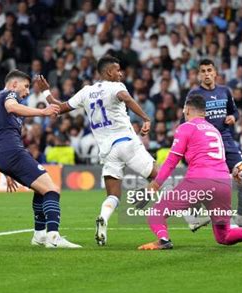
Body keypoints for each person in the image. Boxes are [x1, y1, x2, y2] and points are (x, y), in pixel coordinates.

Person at [36, 56, 158, 246]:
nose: (121, 73)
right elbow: (125, 97)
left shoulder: (87, 91)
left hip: (107, 151)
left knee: (113, 195)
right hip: (127, 142)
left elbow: (59, 108)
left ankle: (103, 217)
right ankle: (193, 217)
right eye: (118, 70)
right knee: (160, 176)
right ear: (109, 72)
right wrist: (145, 118)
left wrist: (45, 92)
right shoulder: (116, 86)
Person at [138, 95, 242, 250]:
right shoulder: (214, 129)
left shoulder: (185, 127)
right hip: (223, 182)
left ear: (187, 110)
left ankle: (163, 240)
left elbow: (171, 162)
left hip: (199, 180)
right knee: (224, 235)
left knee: (157, 212)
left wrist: (155, 185)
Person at [0, 69, 81, 249]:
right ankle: (53, 236)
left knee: (40, 190)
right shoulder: (8, 94)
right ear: (14, 84)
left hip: (3, 154)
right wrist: (43, 112)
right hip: (12, 151)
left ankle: (39, 235)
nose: (28, 91)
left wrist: (5, 169)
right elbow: (11, 107)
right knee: (52, 190)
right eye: (26, 86)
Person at [186, 59, 242, 229]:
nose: (206, 74)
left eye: (209, 70)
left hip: (226, 140)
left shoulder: (225, 91)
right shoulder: (194, 95)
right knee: (216, 183)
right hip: (205, 144)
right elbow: (186, 119)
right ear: (199, 75)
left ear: (215, 73)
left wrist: (234, 117)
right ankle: (220, 219)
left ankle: (240, 216)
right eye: (202, 71)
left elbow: (235, 111)